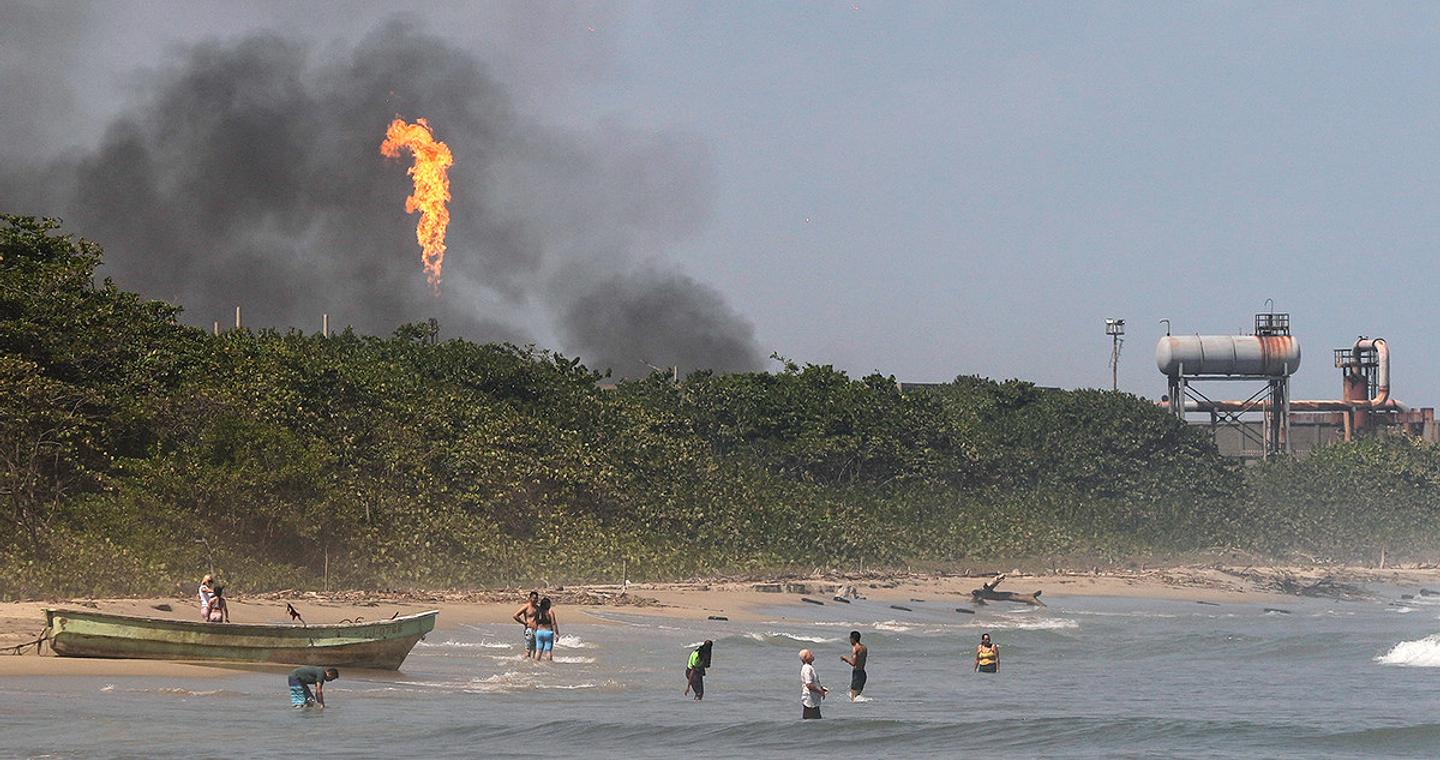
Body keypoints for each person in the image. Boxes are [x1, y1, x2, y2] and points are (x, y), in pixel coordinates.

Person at [799, 648, 827, 719]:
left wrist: (821, 688)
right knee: (811, 719)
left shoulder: (809, 667)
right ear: (805, 658)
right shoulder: (807, 668)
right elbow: (809, 685)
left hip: (813, 700)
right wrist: (820, 692)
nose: (812, 654)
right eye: (809, 654)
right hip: (810, 700)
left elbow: (813, 682)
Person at [840, 630, 867, 700]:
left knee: (853, 697)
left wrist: (845, 658)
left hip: (857, 673)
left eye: (850, 639)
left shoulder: (856, 648)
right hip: (863, 673)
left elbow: (853, 663)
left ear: (853, 639)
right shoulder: (864, 648)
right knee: (857, 696)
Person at [512, 591, 540, 659]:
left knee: (536, 650)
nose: (535, 600)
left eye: (536, 598)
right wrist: (524, 623)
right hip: (529, 630)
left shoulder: (538, 608)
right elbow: (515, 615)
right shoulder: (526, 607)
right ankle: (522, 662)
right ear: (530, 598)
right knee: (528, 651)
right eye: (534, 598)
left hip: (536, 631)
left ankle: (534, 666)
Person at [533, 597, 558, 661]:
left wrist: (535, 631)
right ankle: (549, 664)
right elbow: (553, 623)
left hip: (539, 632)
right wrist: (557, 633)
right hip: (548, 632)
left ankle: (536, 663)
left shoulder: (538, 611)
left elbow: (535, 622)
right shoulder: (550, 611)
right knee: (548, 650)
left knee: (538, 650)